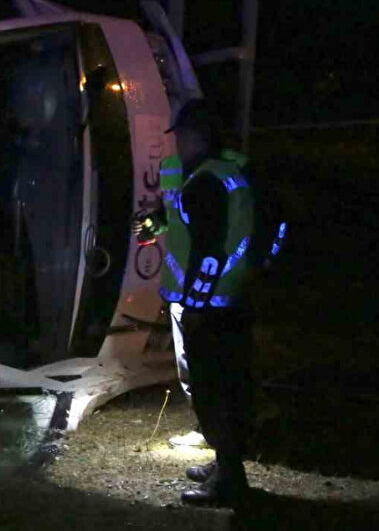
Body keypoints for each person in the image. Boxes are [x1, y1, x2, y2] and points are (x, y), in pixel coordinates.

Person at [133, 100, 258, 507]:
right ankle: (224, 464)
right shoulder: (212, 174)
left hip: (209, 305)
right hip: (215, 299)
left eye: (183, 136)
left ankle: (230, 480)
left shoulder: (209, 181)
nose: (179, 144)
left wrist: (198, 305)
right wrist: (155, 224)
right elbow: (183, 224)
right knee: (216, 384)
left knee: (214, 386)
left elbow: (209, 252)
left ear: (198, 136)